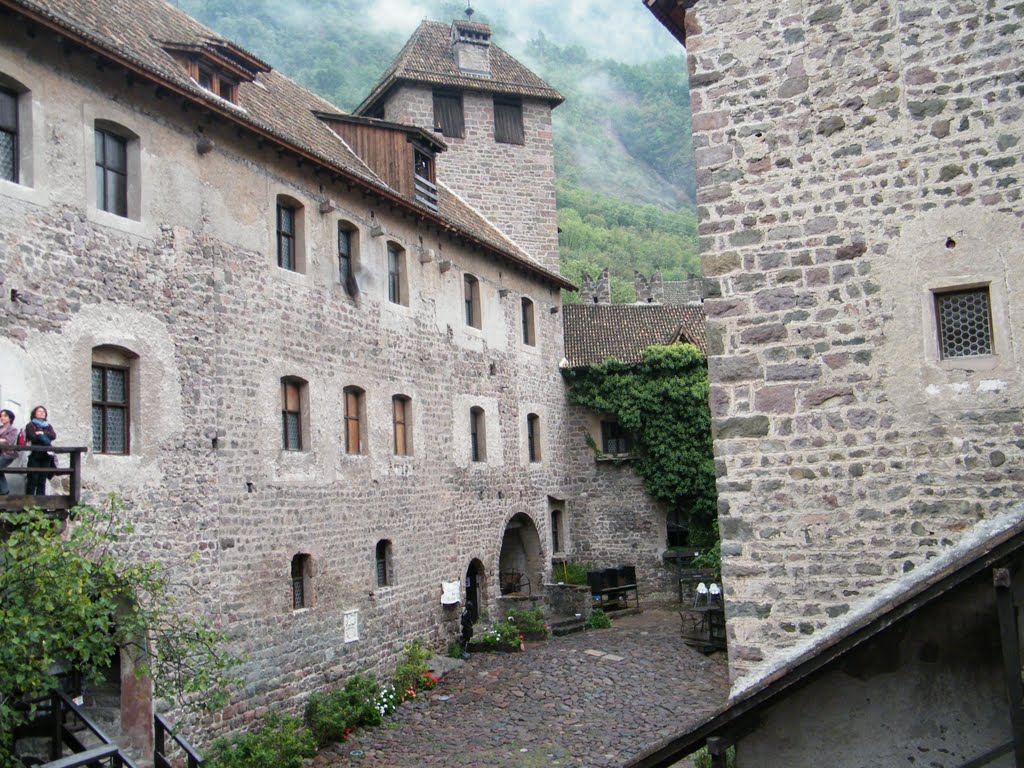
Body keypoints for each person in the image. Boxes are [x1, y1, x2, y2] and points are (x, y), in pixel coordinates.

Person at [25, 405, 56, 496]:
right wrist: (44, 436)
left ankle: (41, 504)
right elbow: (32, 437)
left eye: (43, 411)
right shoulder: (30, 425)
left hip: (46, 455)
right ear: (34, 413)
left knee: (42, 480)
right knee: (33, 479)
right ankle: (29, 504)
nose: (42, 412)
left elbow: (53, 436)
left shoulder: (48, 426)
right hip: (35, 455)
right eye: (39, 411)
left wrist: (42, 433)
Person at [0, 409, 17, 495]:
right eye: (1, 416)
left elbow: (8, 441)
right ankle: (4, 492)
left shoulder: (13, 429)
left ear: (10, 418)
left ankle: (4, 491)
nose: (2, 417)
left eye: (5, 416)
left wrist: (3, 440)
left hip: (7, 454)